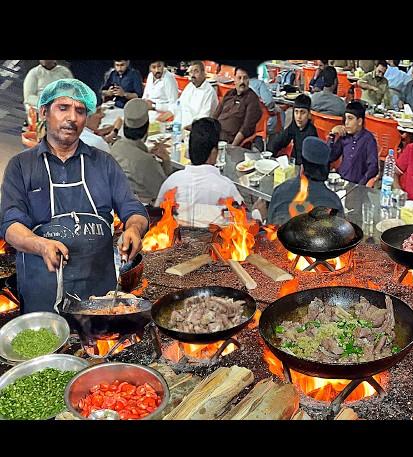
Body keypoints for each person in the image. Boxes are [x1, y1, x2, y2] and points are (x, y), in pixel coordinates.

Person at [0, 79, 148, 313]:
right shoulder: (21, 166)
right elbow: (10, 223)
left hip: (100, 299)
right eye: (63, 108)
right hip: (43, 297)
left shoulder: (104, 163)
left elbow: (133, 208)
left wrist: (133, 229)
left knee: (99, 347)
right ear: (44, 112)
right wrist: (40, 245)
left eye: (80, 111)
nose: (72, 117)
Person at [155, 118, 244, 227]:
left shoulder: (171, 183)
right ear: (214, 153)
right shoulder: (226, 188)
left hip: (175, 242)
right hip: (213, 243)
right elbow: (241, 227)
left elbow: (157, 218)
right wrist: (258, 213)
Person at [267, 136, 343, 225]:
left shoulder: (280, 191)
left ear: (302, 168)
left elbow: (271, 225)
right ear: (326, 170)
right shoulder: (333, 202)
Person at [110, 99, 172, 204]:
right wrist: (166, 160)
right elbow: (165, 192)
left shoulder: (116, 147)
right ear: (146, 128)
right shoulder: (146, 161)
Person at [328, 101, 378, 185]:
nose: (346, 122)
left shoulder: (368, 139)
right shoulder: (344, 136)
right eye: (345, 118)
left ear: (359, 121)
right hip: (341, 181)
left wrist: (361, 184)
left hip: (357, 184)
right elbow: (330, 157)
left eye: (350, 118)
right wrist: (332, 136)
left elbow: (373, 168)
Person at [212, 66, 262, 146]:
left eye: (245, 78)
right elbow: (215, 116)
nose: (242, 81)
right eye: (239, 78)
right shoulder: (229, 94)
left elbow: (246, 128)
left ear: (248, 80)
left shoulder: (252, 99)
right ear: (234, 79)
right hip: (215, 135)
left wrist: (232, 146)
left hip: (228, 141)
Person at [267, 94, 318, 164]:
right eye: (296, 112)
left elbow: (309, 161)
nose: (298, 117)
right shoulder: (294, 126)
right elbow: (279, 141)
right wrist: (269, 156)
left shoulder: (311, 133)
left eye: (302, 112)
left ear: (309, 114)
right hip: (293, 163)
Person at [175, 60, 218, 129]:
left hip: (198, 131)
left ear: (204, 73)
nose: (193, 75)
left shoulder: (209, 92)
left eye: (196, 71)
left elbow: (202, 120)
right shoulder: (190, 86)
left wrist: (185, 129)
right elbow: (179, 105)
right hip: (181, 127)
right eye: (191, 72)